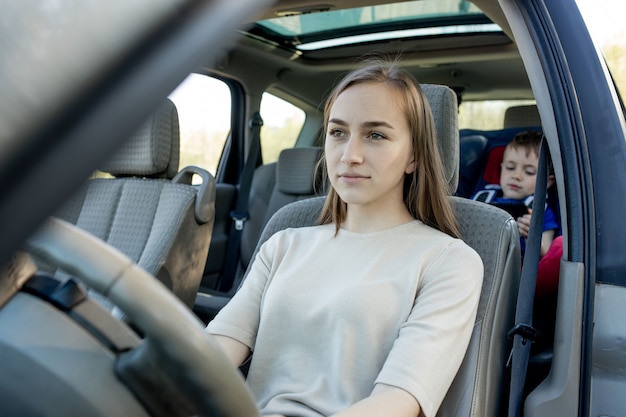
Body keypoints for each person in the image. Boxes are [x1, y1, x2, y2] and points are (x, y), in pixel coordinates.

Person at [206, 61, 484, 417]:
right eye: (338, 132)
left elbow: (397, 403)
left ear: (414, 155)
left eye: (376, 135)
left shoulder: (448, 260)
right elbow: (213, 355)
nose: (349, 156)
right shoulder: (284, 243)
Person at [473, 131, 559, 258]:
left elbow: (545, 253)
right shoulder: (481, 198)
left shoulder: (541, 211)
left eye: (529, 172)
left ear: (547, 182)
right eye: (510, 167)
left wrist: (532, 236)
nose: (516, 176)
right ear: (501, 168)